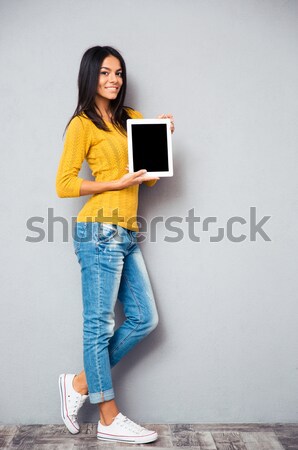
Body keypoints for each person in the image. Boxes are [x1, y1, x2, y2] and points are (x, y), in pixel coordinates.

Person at [56, 45, 174, 444]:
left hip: (125, 232)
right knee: (100, 326)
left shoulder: (133, 120)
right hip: (97, 230)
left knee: (145, 319)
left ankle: (79, 384)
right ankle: (108, 418)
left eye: (119, 73)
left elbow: (151, 177)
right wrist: (114, 182)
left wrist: (162, 139)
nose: (113, 79)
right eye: (105, 72)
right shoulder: (81, 125)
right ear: (90, 75)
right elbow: (65, 184)